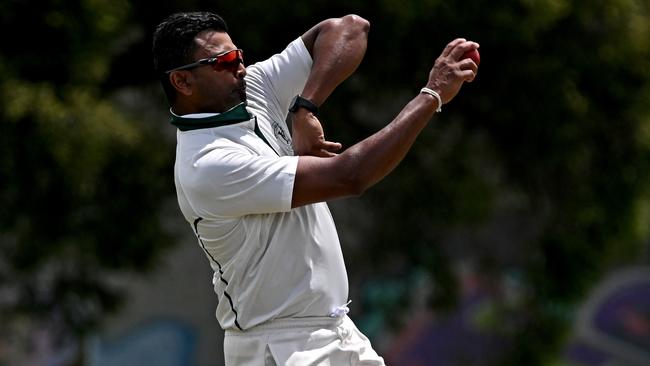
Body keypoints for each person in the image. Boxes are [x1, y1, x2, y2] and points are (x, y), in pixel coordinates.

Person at [152, 11, 478, 366]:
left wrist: (305, 107)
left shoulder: (256, 89)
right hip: (278, 346)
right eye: (224, 62)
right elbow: (351, 176)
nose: (240, 67)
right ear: (183, 82)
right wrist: (431, 95)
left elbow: (350, 28)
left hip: (336, 330)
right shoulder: (208, 164)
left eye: (239, 55)